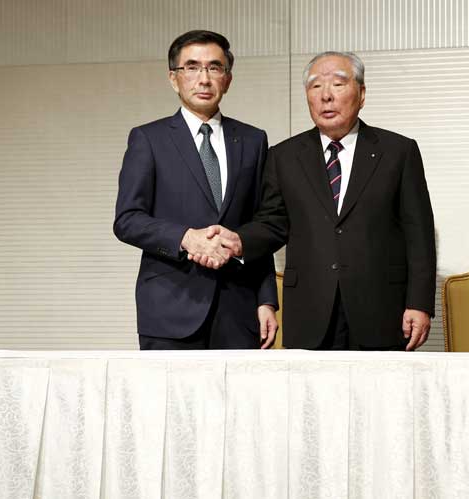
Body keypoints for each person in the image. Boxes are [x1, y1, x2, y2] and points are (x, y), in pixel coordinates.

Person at [197, 51, 436, 350]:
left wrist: (419, 303)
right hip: (311, 311)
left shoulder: (398, 152)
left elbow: (420, 236)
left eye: (337, 84)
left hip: (381, 309)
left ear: (361, 94)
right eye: (315, 86)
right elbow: (273, 223)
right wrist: (238, 240)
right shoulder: (284, 156)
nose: (326, 96)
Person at [113, 30, 278, 350]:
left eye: (214, 67)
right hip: (169, 309)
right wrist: (185, 238)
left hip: (239, 309)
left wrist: (266, 300)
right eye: (191, 67)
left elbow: (262, 225)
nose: (203, 78)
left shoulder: (253, 140)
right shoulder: (148, 139)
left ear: (227, 79)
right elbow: (127, 219)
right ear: (174, 78)